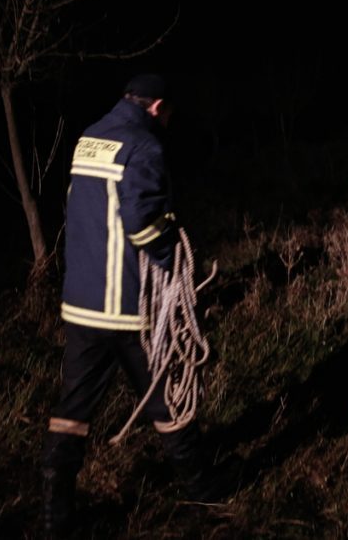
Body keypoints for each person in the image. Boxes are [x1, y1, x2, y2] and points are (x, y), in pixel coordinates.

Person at [40, 73, 214, 537]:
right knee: (168, 395)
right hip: (128, 309)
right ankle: (202, 494)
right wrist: (173, 255)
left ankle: (55, 516)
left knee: (72, 410)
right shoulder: (144, 146)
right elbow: (141, 224)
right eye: (169, 113)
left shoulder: (90, 138)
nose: (170, 121)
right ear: (157, 107)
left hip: (81, 305)